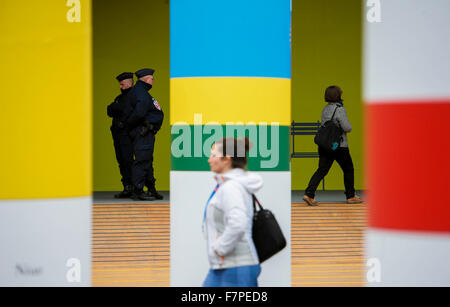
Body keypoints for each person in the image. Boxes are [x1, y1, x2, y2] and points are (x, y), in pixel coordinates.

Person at [202, 137, 263, 287]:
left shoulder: (231, 188)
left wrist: (219, 248)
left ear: (226, 159)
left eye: (213, 155)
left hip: (236, 267)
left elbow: (238, 223)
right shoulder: (229, 185)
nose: (209, 160)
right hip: (228, 265)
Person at [303, 86, 363, 206]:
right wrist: (349, 127)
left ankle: (309, 194)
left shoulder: (325, 109)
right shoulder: (339, 109)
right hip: (339, 145)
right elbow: (347, 127)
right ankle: (351, 196)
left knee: (322, 170)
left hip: (325, 145)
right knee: (348, 169)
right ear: (338, 95)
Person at [127, 68, 164, 201]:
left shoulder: (140, 92)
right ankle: (138, 190)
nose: (153, 81)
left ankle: (151, 189)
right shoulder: (141, 93)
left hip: (144, 131)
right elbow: (139, 113)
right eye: (152, 79)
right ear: (147, 79)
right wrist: (144, 125)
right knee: (142, 161)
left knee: (147, 160)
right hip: (143, 132)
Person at [107, 72, 135, 198]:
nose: (120, 87)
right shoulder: (119, 98)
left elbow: (125, 110)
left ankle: (133, 187)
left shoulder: (134, 96)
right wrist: (118, 108)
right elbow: (109, 110)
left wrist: (117, 108)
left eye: (122, 84)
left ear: (129, 83)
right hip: (118, 135)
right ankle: (127, 187)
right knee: (122, 162)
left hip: (127, 136)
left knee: (128, 161)